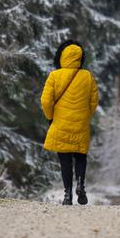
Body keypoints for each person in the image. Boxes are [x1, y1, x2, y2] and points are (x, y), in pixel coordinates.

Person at [40, 40, 99, 205]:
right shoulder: (87, 76)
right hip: (80, 124)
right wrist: (86, 115)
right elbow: (94, 101)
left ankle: (67, 195)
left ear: (61, 57)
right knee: (80, 156)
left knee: (65, 159)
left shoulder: (54, 75)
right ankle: (80, 183)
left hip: (60, 124)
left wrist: (50, 116)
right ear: (80, 58)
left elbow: (45, 101)